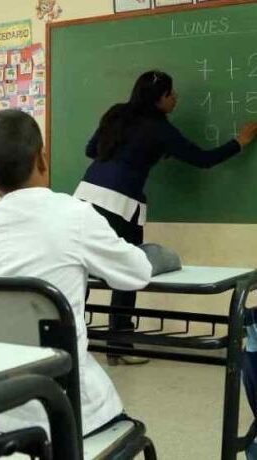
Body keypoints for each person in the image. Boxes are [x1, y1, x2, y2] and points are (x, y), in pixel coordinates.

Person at [0, 109, 152, 435]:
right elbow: (137, 273)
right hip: (63, 405)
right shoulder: (76, 214)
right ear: (42, 158)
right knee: (118, 413)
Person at [74, 70, 257, 365]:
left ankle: (72, 341)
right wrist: (240, 142)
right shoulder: (160, 129)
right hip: (120, 205)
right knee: (127, 272)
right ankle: (120, 346)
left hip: (84, 196)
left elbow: (91, 149)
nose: (176, 98)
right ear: (159, 99)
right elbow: (203, 159)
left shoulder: (117, 114)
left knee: (80, 271)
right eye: (171, 94)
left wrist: (139, 152)